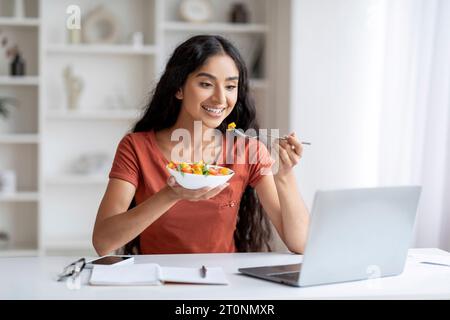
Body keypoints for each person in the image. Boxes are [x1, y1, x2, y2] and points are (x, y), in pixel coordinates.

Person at [92, 35, 309, 256]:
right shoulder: (136, 147)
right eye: (206, 84)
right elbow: (103, 242)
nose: (220, 98)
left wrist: (284, 175)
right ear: (178, 88)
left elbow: (300, 244)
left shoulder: (247, 150)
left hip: (223, 284)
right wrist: (170, 195)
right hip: (156, 283)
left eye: (230, 86)